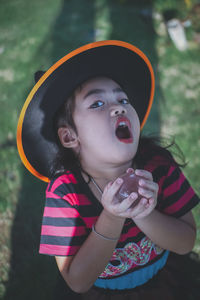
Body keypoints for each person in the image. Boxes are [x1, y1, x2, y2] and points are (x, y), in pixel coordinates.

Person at [17, 40, 199, 299]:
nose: (118, 106)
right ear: (70, 138)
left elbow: (185, 243)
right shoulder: (66, 193)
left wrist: (144, 214)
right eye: (97, 104)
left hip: (165, 279)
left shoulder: (158, 166)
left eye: (122, 98)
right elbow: (77, 281)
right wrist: (112, 217)